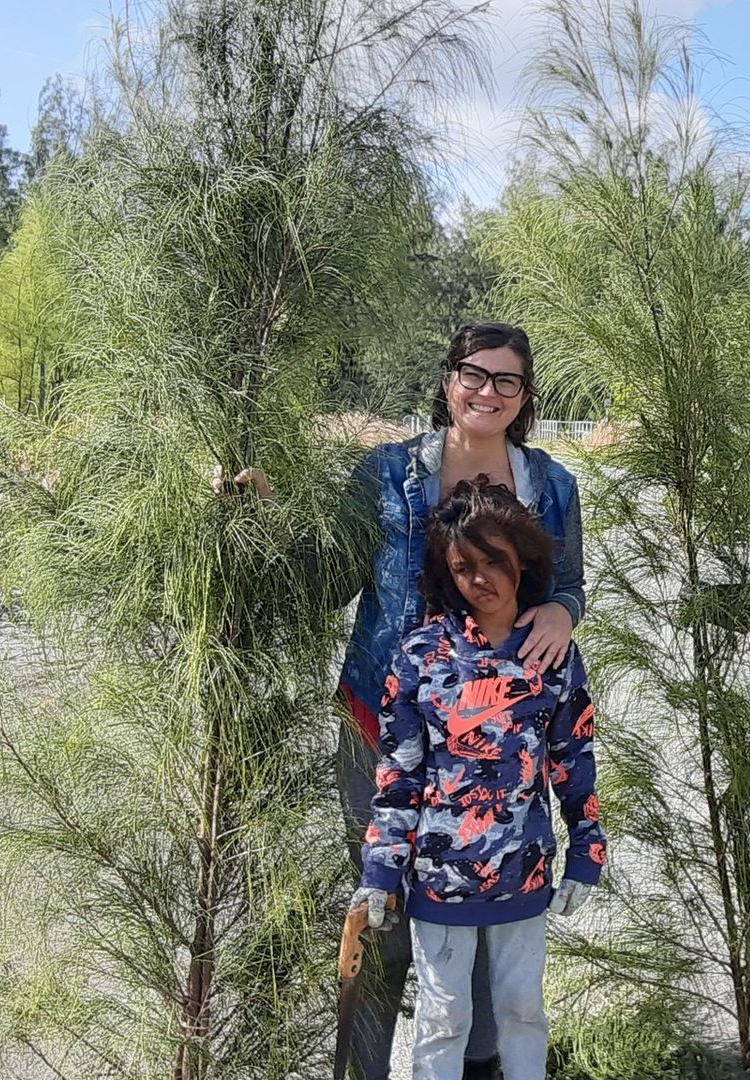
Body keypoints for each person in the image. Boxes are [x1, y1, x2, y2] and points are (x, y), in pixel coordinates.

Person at [216, 322, 584, 1079]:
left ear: (525, 396)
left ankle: (475, 1069)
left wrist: (563, 611)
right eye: (473, 375)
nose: (487, 392)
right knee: (379, 908)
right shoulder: (384, 473)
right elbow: (325, 580)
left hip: (494, 739)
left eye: (506, 381)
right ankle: (364, 1070)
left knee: (484, 925)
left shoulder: (552, 485)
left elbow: (564, 582)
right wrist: (266, 515)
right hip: (381, 724)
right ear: (448, 381)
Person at [354, 477, 605, 1080]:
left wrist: (587, 854)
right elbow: (398, 776)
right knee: (443, 1019)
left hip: (526, 871)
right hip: (439, 881)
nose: (481, 578)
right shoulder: (420, 655)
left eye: (495, 560)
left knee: (523, 1013)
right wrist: (380, 872)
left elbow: (574, 760)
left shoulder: (553, 655)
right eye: (465, 565)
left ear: (524, 558)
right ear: (447, 570)